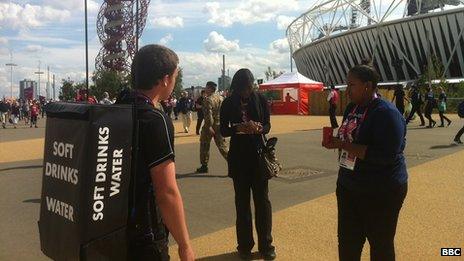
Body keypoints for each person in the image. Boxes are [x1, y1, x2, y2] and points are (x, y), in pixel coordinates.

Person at [116, 44, 194, 261]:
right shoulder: (155, 120)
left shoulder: (116, 109)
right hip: (144, 231)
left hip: (110, 226)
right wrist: (185, 245)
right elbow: (166, 191)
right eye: (176, 76)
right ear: (165, 79)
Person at [323, 64, 408, 261]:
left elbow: (384, 155)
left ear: (368, 86)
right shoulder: (353, 108)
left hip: (381, 191)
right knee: (347, 243)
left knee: (380, 246)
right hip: (348, 187)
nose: (347, 89)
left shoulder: (386, 113)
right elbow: (349, 138)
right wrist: (336, 143)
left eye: (351, 84)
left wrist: (342, 144)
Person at [220, 69, 276, 260]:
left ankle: (266, 245)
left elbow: (268, 125)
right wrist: (238, 127)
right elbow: (223, 130)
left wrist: (259, 128)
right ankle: (244, 246)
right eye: (242, 89)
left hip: (258, 155)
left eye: (249, 88)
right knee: (242, 203)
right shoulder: (228, 102)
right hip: (238, 158)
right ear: (236, 88)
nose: (246, 92)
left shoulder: (260, 99)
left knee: (263, 202)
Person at [196, 82, 229, 174]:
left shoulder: (208, 100)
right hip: (219, 124)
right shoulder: (221, 98)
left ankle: (204, 165)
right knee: (223, 146)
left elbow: (208, 115)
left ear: (210, 88)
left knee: (204, 145)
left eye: (206, 87)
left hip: (210, 125)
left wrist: (209, 126)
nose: (205, 89)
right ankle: (233, 163)